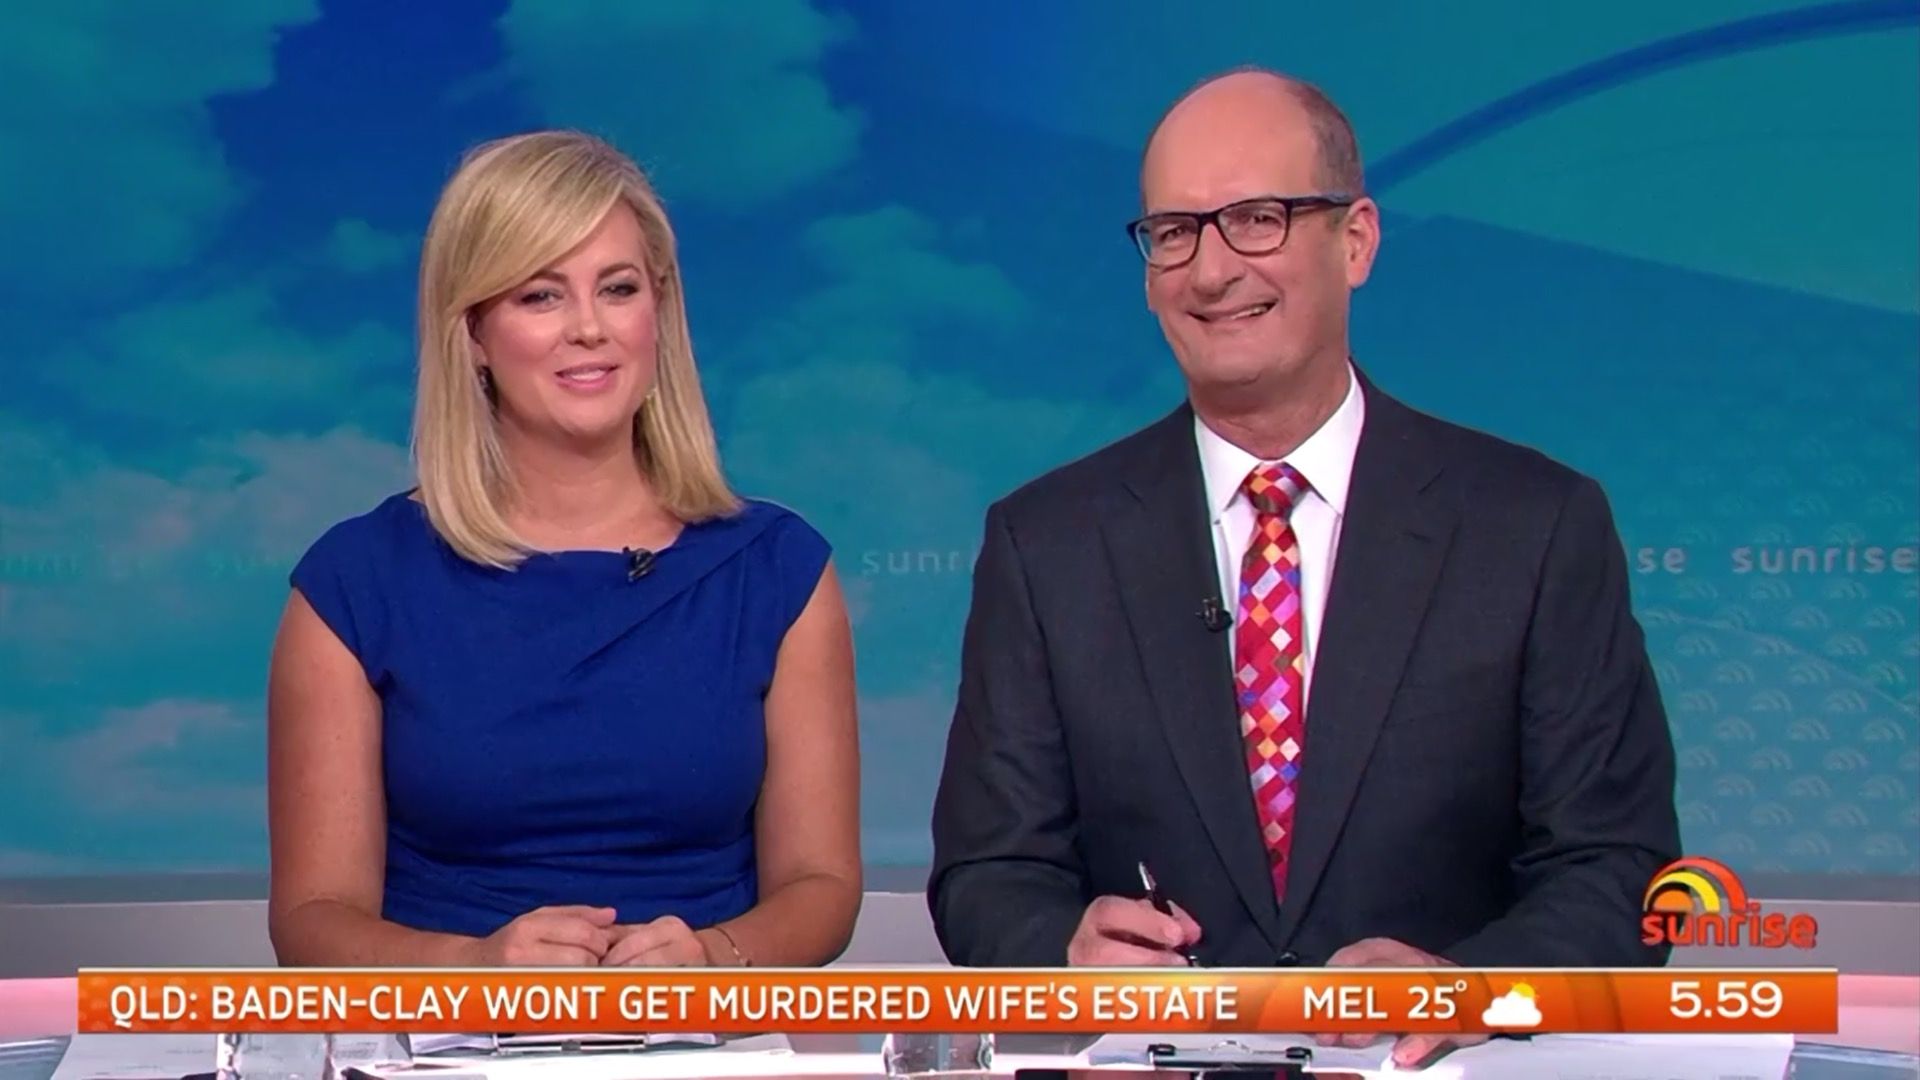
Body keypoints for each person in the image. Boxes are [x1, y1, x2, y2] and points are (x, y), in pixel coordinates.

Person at [928, 69, 1680, 1065]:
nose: (1211, 271)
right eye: (1175, 232)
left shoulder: (1533, 526)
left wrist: (1475, 986)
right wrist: (1062, 951)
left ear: (1356, 240)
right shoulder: (1048, 543)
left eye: (1258, 219)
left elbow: (1621, 869)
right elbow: (986, 874)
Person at [267, 131, 861, 968]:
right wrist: (475, 971)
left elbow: (820, 885)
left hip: (704, 1029)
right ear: (473, 331)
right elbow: (313, 918)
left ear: (658, 312)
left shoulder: (775, 570)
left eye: (617, 289)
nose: (589, 329)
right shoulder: (355, 584)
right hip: (445, 1031)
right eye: (540, 296)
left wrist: (710, 959)